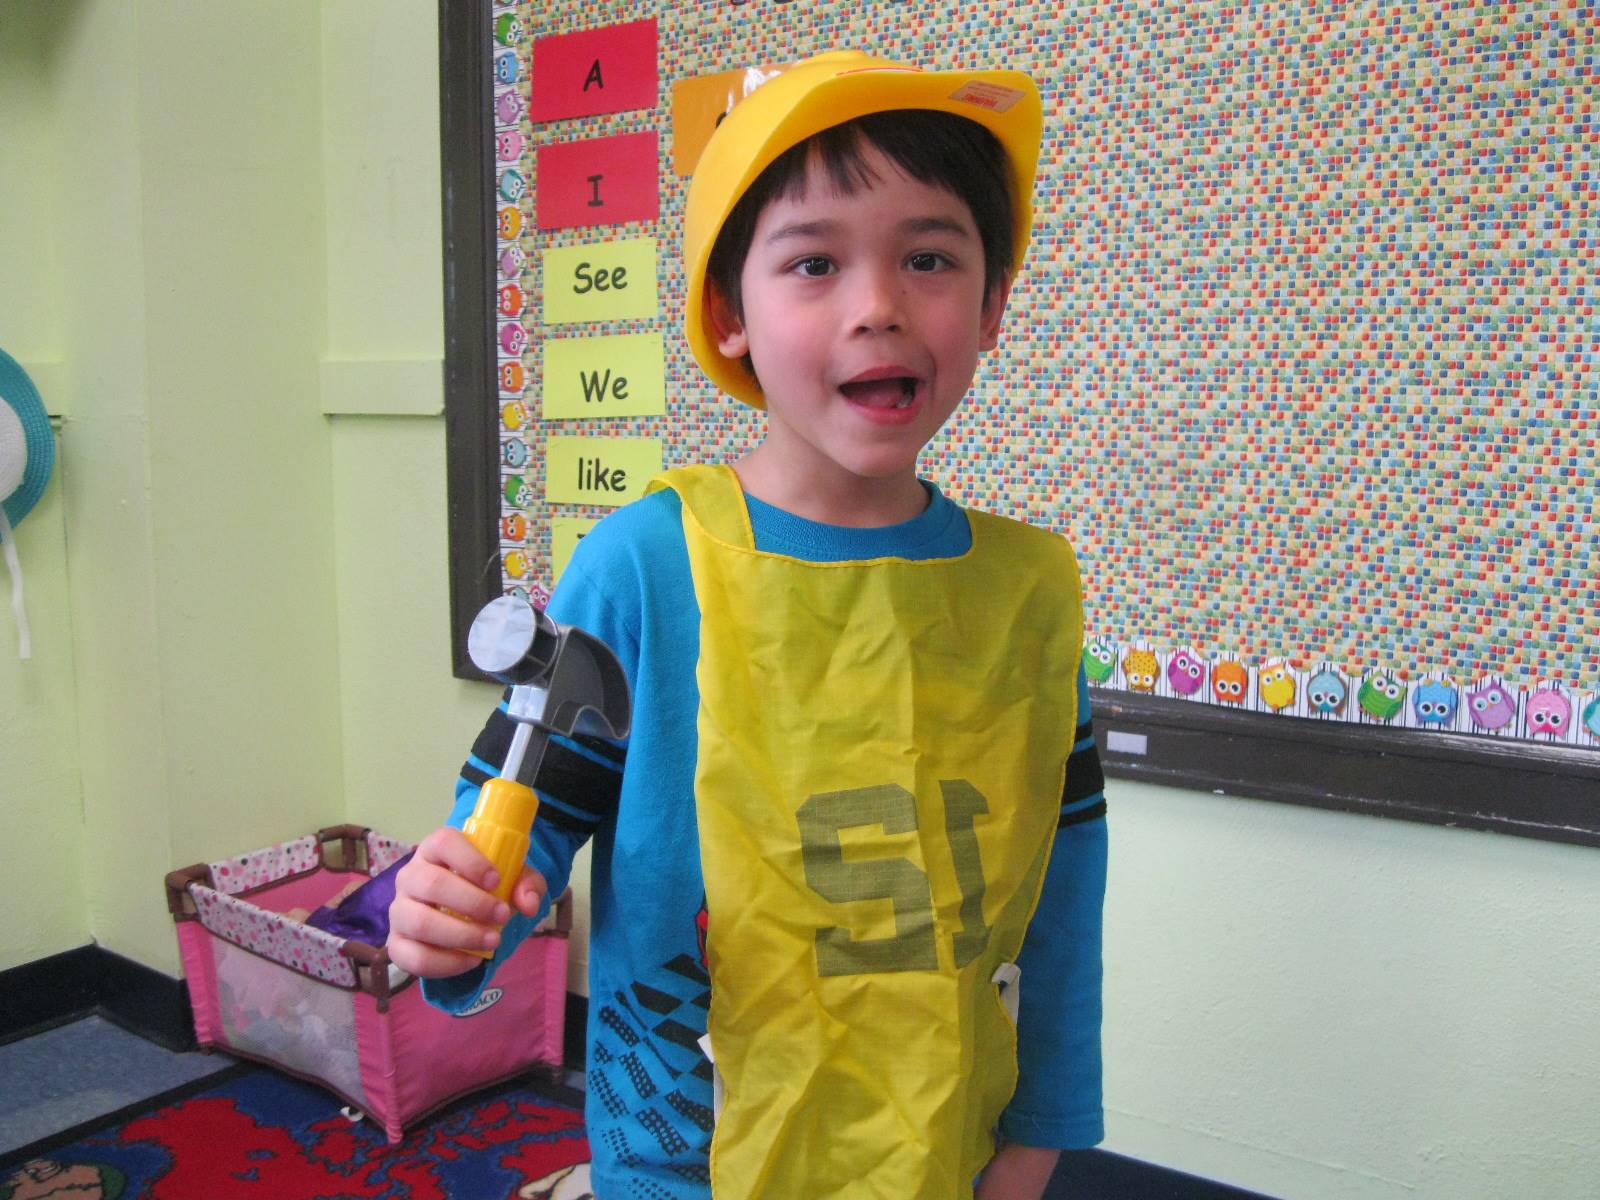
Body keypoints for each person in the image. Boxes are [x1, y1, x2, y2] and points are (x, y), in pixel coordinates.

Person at [389, 50, 1108, 1200]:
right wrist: (454, 932)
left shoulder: (1030, 593)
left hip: (943, 1145)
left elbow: (1066, 885)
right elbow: (509, 848)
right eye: (814, 262)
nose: (878, 305)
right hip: (691, 1159)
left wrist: (1043, 1128)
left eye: (929, 258)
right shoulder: (644, 565)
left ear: (990, 306)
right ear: (729, 314)